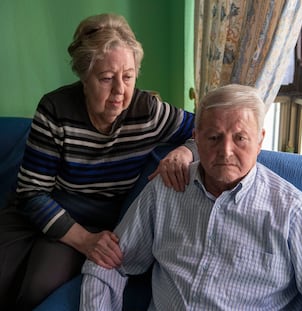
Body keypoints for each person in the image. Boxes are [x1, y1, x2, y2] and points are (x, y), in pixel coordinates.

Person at [80, 84, 302, 310]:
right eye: (213, 137)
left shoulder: (292, 213)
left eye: (240, 138)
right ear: (196, 137)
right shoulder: (166, 189)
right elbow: (107, 262)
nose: (225, 151)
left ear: (260, 140)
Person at [0, 13, 196, 310]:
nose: (120, 91)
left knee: (37, 287)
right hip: (44, 210)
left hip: (99, 222)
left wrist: (186, 151)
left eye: (128, 76)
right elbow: (32, 193)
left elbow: (205, 129)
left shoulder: (147, 110)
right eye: (106, 78)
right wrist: (85, 241)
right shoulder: (55, 109)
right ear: (84, 77)